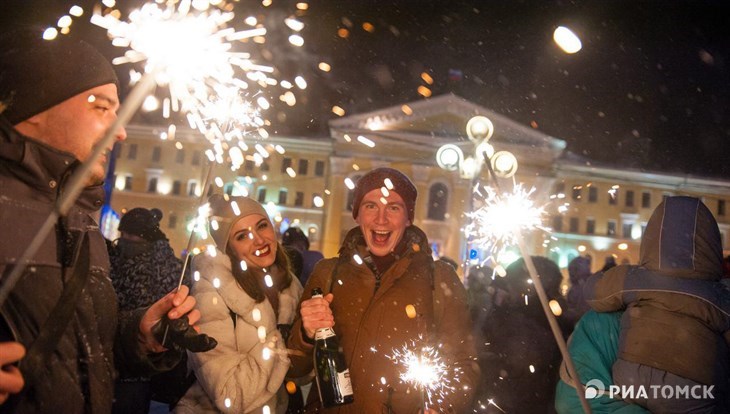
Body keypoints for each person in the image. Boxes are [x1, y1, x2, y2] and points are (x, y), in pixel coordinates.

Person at [0, 28, 215, 413]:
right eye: (100, 107)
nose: (120, 132)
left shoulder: (83, 223)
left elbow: (82, 354)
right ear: (33, 112)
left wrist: (140, 335)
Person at [287, 167, 480, 413]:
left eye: (393, 208)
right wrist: (305, 334)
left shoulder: (439, 279)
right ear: (357, 215)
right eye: (370, 206)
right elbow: (294, 366)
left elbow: (463, 364)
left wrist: (442, 407)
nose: (381, 219)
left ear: (408, 217)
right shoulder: (328, 273)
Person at [581, 196, 730, 412]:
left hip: (632, 377)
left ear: (653, 237)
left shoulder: (636, 279)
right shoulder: (720, 295)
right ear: (712, 244)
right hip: (694, 388)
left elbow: (595, 292)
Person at [174, 194, 304, 413]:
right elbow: (230, 397)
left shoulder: (291, 286)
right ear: (229, 248)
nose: (259, 240)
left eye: (262, 226)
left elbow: (300, 375)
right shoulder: (210, 293)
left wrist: (308, 339)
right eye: (242, 236)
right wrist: (282, 339)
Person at [108, 207, 188, 413]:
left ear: (145, 237)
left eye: (131, 235)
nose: (125, 240)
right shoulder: (113, 260)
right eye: (122, 234)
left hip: (141, 369)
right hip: (110, 360)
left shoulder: (166, 269)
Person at [479, 256, 568, 413]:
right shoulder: (512, 313)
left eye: (511, 284)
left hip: (524, 398)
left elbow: (522, 358)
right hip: (520, 397)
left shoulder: (533, 319)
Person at [564, 255, 593, 330]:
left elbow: (583, 310)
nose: (571, 273)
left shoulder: (581, 286)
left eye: (574, 270)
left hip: (581, 326)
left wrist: (565, 314)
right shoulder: (586, 283)